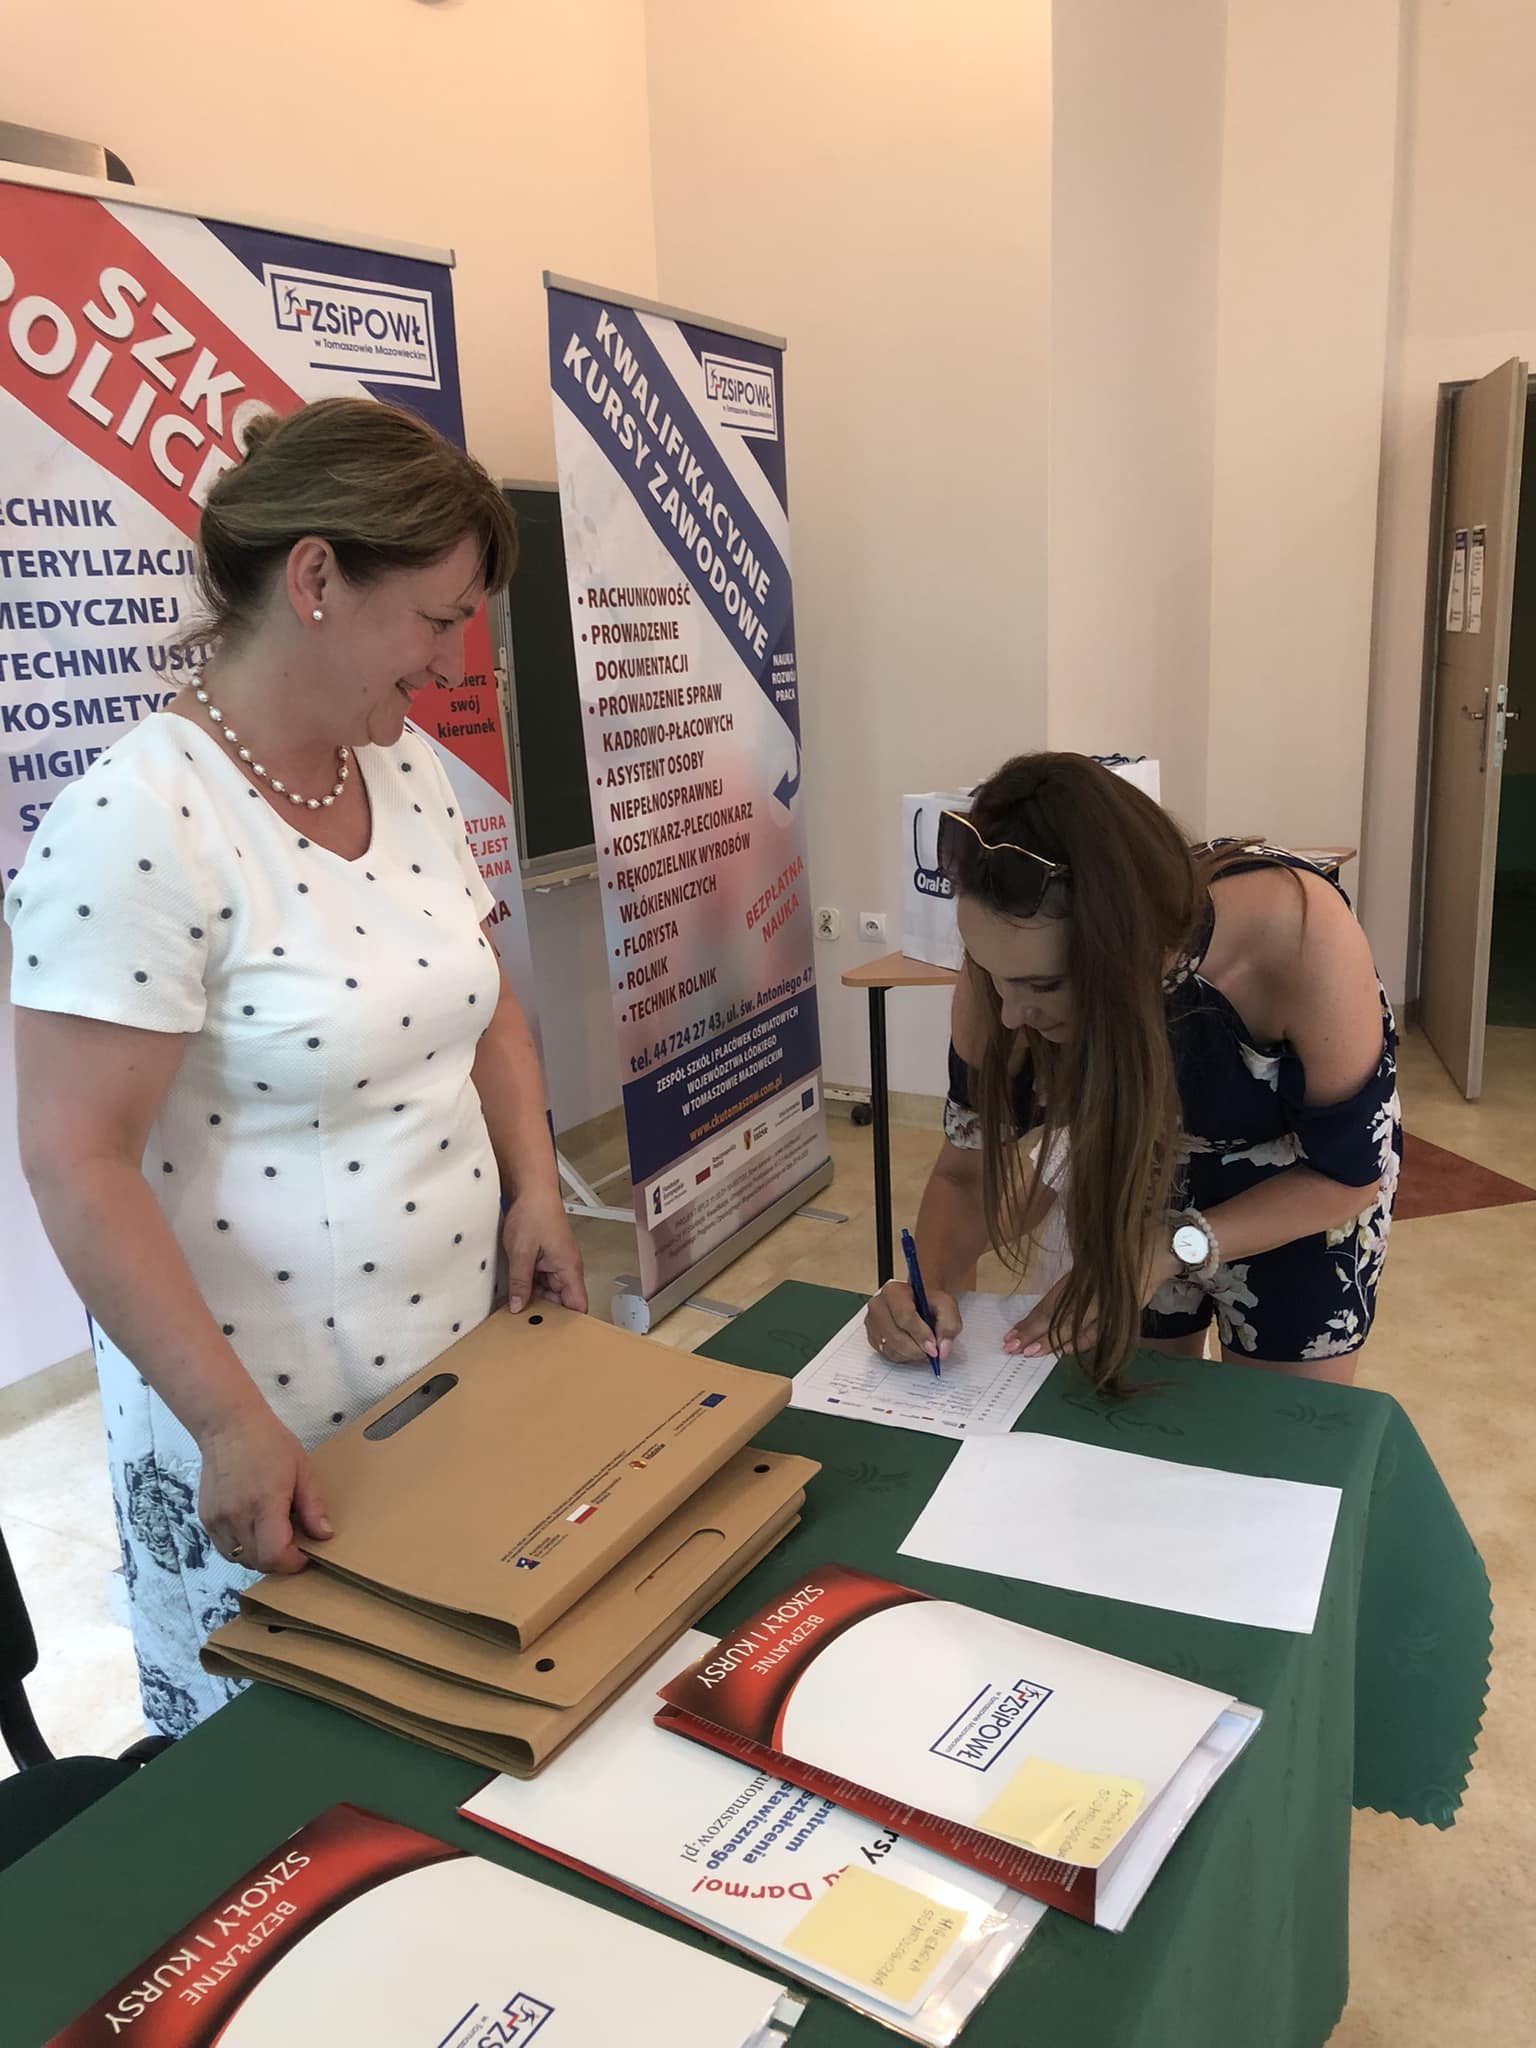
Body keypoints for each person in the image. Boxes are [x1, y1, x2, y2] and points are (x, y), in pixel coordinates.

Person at [3, 398, 587, 1736]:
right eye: (438, 618)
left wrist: (536, 1189)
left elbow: (487, 998)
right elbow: (76, 1160)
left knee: (457, 1720)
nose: (454, 659)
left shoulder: (410, 770)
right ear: (317, 579)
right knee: (298, 1776)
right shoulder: (139, 821)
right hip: (270, 1419)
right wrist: (224, 1424)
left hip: (449, 1367)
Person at [865, 753, 1400, 1390]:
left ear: (1129, 947)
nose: (1010, 1015)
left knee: (1270, 1429)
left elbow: (1345, 1176)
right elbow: (964, 1176)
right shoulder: (1004, 975)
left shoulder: (1299, 936)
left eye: (1043, 985)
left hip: (1298, 1199)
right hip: (1139, 1178)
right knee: (1136, 1414)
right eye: (990, 974)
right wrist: (925, 1294)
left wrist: (1168, 1247)